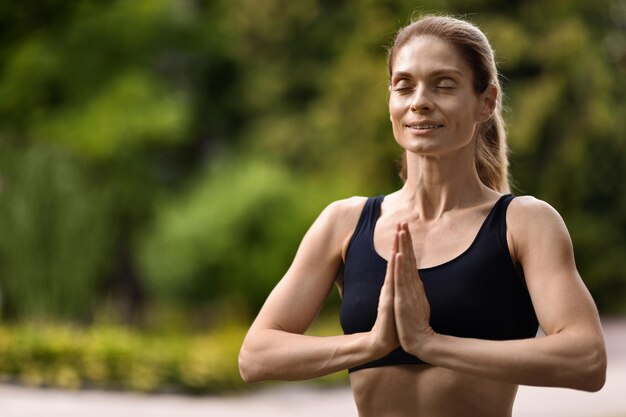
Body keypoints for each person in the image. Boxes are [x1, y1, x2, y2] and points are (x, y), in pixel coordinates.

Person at [238, 14, 607, 417]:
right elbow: (256, 355)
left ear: (486, 102)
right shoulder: (344, 222)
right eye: (404, 85)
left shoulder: (524, 223)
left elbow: (586, 359)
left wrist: (431, 344)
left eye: (444, 85)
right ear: (391, 101)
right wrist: (374, 343)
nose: (420, 101)